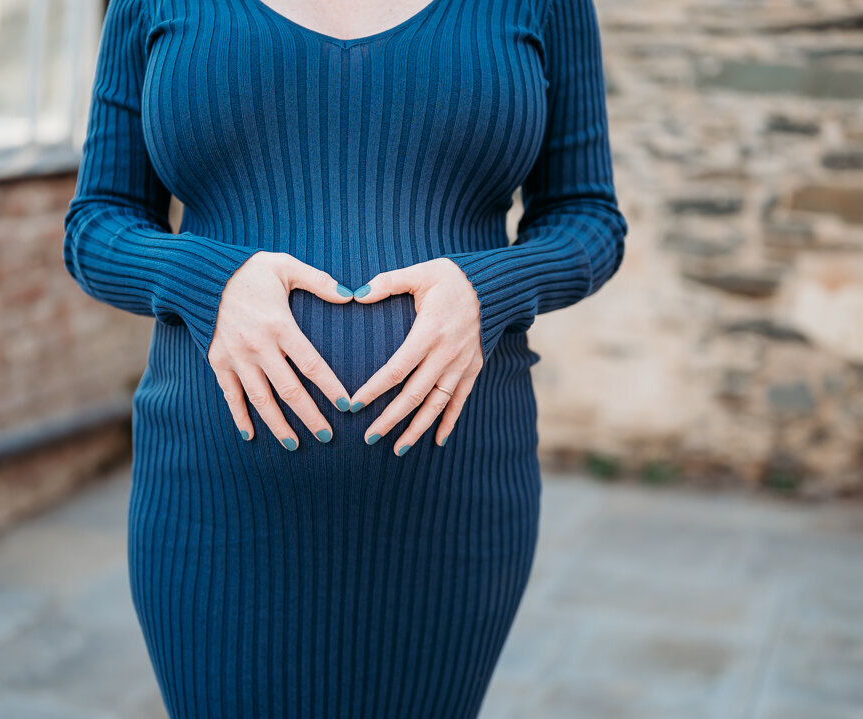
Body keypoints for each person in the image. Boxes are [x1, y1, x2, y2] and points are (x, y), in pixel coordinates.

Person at [62, 0, 627, 716]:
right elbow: (98, 221)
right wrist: (209, 279)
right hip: (213, 511)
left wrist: (490, 287)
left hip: (454, 510)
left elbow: (588, 217)